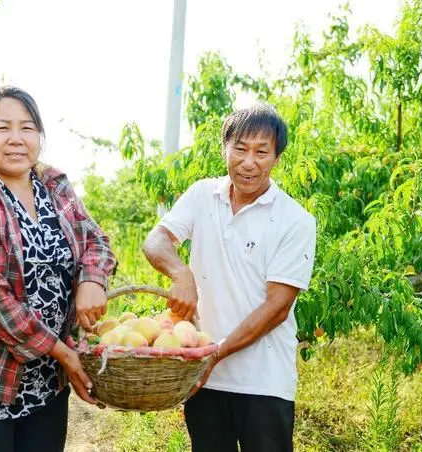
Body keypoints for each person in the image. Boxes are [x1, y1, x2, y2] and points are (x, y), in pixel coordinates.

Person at [0, 86, 116, 451]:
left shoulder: (54, 185)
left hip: (45, 381)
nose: (16, 139)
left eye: (27, 128)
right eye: (2, 128)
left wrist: (92, 280)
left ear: (39, 136)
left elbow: (96, 241)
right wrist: (64, 353)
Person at [143, 103, 316, 452]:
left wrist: (215, 354)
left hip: (265, 383)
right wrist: (181, 274)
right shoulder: (202, 195)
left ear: (276, 158)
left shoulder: (295, 220)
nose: (248, 162)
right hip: (204, 380)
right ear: (224, 149)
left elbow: (278, 306)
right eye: (239, 148)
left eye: (261, 152)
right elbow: (155, 241)